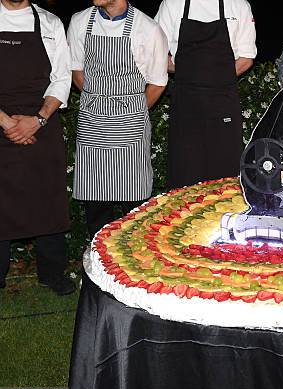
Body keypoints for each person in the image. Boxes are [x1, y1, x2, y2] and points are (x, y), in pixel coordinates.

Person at [67, 0, 169, 238]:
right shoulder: (79, 21)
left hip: (130, 124)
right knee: (96, 205)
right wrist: (99, 101)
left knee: (133, 207)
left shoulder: (148, 29)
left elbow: (157, 82)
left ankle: (133, 265)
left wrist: (129, 111)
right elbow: (77, 70)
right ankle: (97, 263)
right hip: (92, 120)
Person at [0, 0, 74, 295]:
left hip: (41, 122)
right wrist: (6, 123)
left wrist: (38, 120)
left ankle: (52, 271)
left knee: (49, 198)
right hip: (1, 121)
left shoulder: (50, 23)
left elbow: (62, 77)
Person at [155, 0, 257, 189]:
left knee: (225, 179)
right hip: (186, 104)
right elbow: (156, 52)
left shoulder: (239, 5)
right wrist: (189, 74)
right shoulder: (171, 4)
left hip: (223, 102)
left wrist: (216, 78)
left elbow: (247, 57)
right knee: (184, 175)